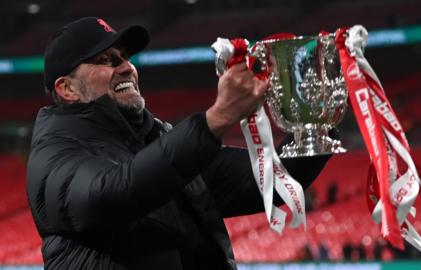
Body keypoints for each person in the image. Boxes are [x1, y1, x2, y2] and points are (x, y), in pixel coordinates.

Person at [26, 17, 332, 269]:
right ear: (67, 88)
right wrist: (216, 119)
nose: (125, 67)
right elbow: (111, 194)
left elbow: (271, 180)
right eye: (105, 60)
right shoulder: (54, 153)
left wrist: (314, 121)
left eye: (125, 57)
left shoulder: (157, 138)